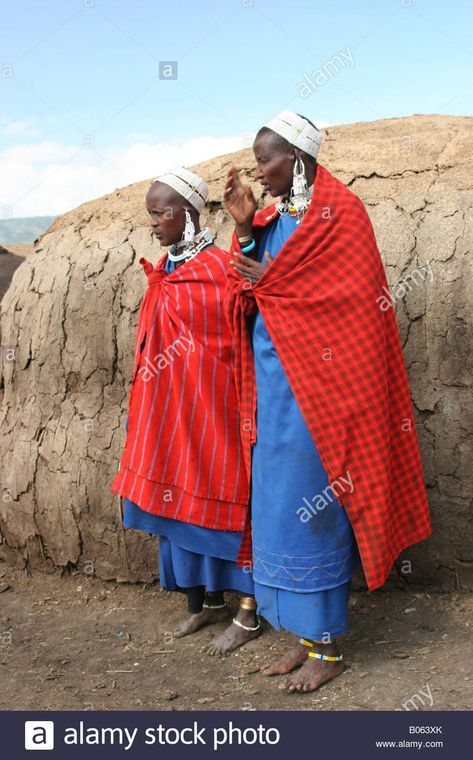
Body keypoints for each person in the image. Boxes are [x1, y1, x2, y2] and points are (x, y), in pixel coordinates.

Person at [224, 111, 431, 693]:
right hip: (271, 386)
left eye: (268, 159)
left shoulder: (340, 216)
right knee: (274, 508)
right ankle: (300, 636)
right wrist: (243, 232)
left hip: (320, 394)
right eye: (258, 159)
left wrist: (273, 280)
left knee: (306, 511)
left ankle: (328, 649)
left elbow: (347, 302)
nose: (260, 171)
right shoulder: (271, 220)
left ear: (300, 157)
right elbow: (249, 288)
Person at [111, 167, 261, 654]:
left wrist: (245, 232)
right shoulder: (166, 269)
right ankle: (205, 602)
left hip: (214, 410)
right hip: (169, 415)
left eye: (160, 213)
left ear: (188, 214)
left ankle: (246, 610)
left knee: (228, 496)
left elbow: (245, 322)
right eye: (150, 214)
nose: (153, 223)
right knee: (177, 499)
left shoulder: (219, 268)